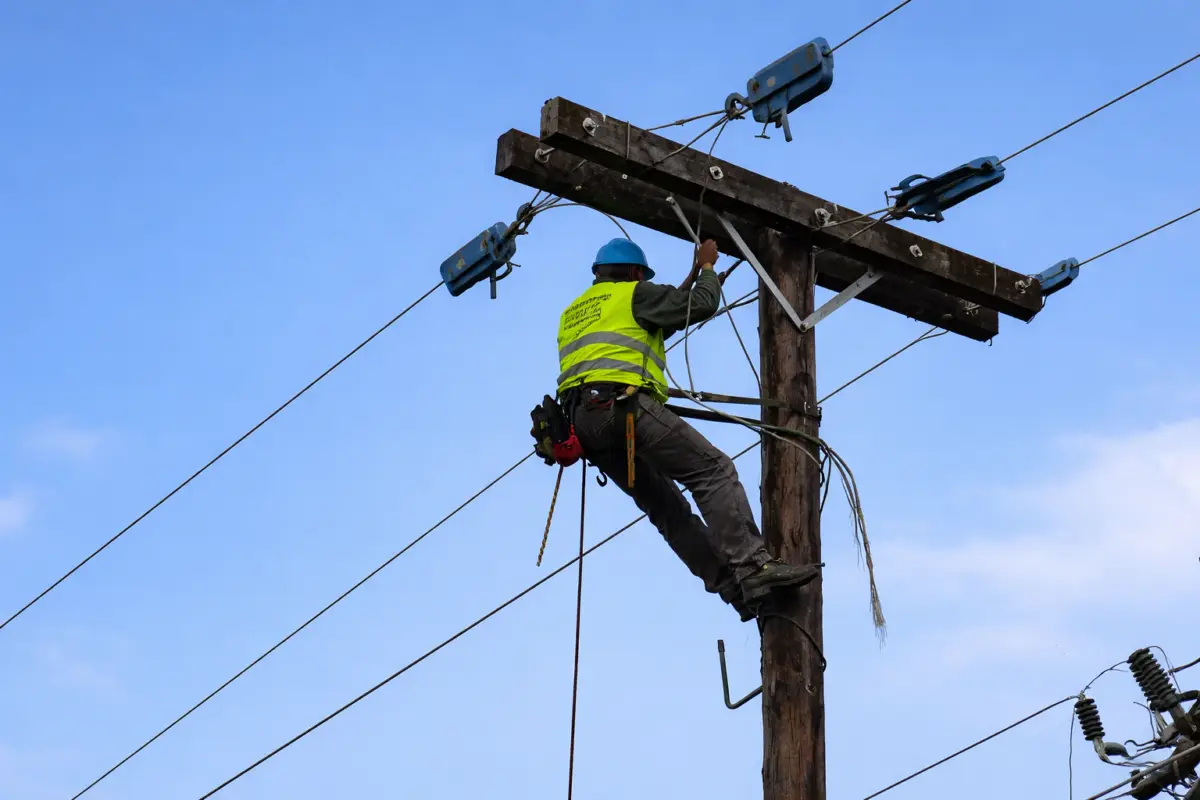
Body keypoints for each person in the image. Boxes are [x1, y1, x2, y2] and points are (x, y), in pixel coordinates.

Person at [555, 237, 819, 621]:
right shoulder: (636, 293)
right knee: (713, 471)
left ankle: (735, 590)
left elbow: (650, 324)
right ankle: (753, 568)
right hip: (622, 409)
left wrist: (693, 280)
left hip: (584, 427)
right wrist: (707, 268)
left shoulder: (575, 312)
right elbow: (701, 305)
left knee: (669, 512)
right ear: (635, 272)